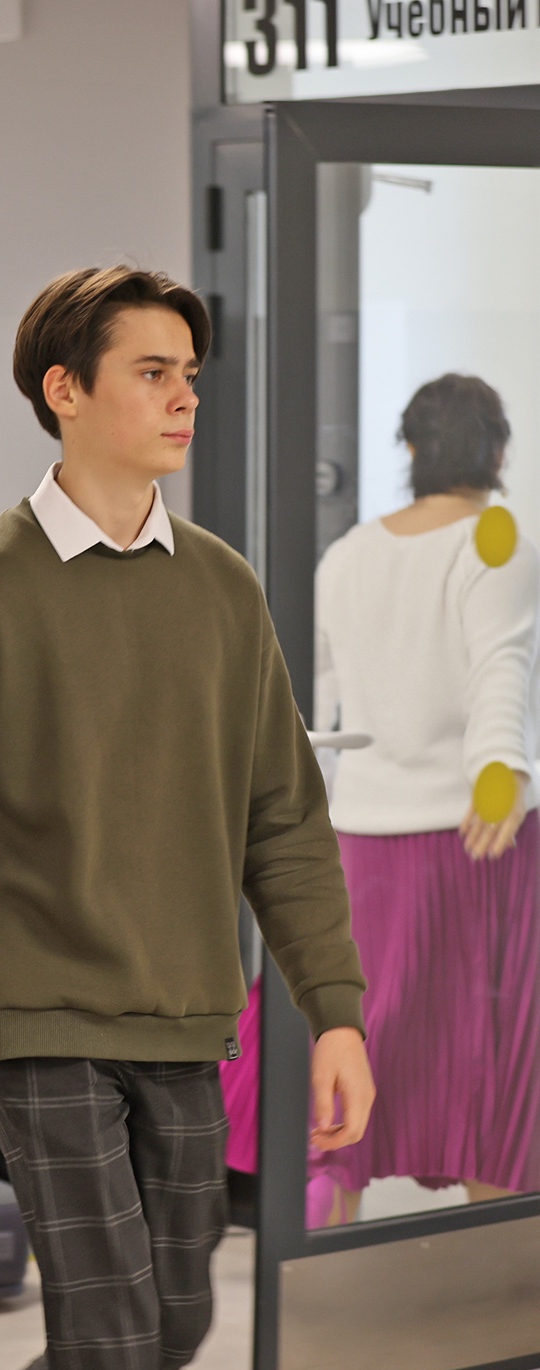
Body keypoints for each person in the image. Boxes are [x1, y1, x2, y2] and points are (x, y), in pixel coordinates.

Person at [0, 267, 377, 1370]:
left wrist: (334, 1011)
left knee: (172, 1319)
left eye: (189, 374)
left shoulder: (221, 587)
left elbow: (283, 820)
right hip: (34, 1014)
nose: (183, 397)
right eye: (152, 372)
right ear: (65, 390)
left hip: (182, 1013)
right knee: (107, 1334)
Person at [304, 373, 538, 1222]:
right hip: (473, 836)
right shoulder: (495, 537)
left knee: (356, 1054)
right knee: (493, 1072)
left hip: (360, 840)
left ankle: (319, 1272)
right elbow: (500, 666)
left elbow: (319, 698)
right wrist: (501, 770)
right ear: (498, 452)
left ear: (409, 449)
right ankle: (498, 1281)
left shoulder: (348, 552)